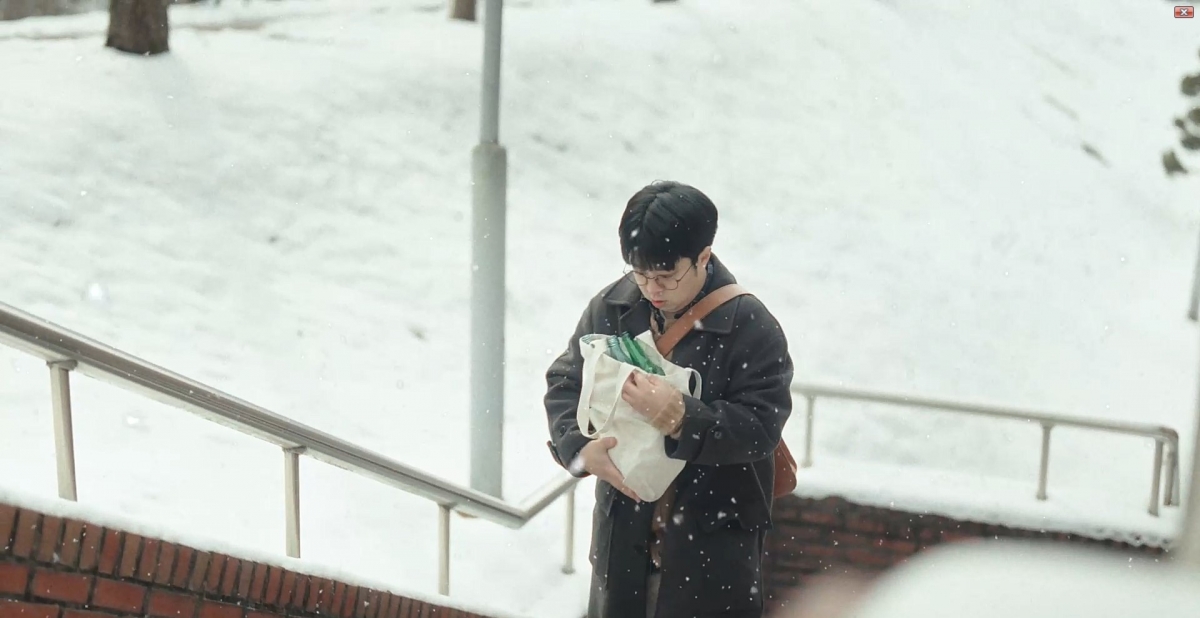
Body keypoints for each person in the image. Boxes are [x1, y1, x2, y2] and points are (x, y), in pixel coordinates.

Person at [544, 180, 795, 618]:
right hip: (622, 542)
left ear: (704, 255)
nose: (651, 289)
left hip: (712, 551)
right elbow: (566, 382)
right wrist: (579, 448)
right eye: (640, 274)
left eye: (666, 275)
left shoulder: (751, 326)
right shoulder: (612, 306)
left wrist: (682, 417)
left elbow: (760, 429)